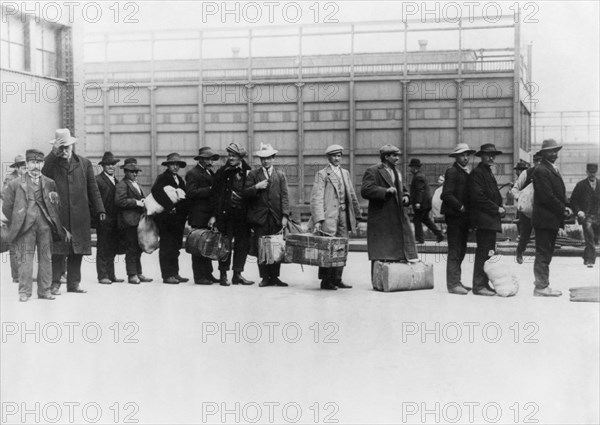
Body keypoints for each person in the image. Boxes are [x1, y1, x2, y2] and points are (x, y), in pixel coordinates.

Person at [42, 128, 105, 295]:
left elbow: (93, 188)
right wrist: (52, 153)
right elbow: (43, 174)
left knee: (78, 251)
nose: (64, 151)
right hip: (59, 216)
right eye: (60, 148)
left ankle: (74, 284)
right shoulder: (51, 164)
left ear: (72, 146)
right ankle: (55, 284)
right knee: (58, 251)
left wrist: (100, 209)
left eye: (66, 147)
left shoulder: (84, 164)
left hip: (80, 215)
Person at [2, 149, 64, 301]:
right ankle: (24, 292)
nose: (36, 165)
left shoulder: (50, 183)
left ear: (43, 164)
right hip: (25, 227)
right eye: (32, 162)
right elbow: (7, 207)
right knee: (25, 259)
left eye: (39, 162)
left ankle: (45, 291)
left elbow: (56, 205)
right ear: (27, 164)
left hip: (45, 226)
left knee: (46, 258)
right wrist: (18, 218)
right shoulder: (15, 183)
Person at [361, 144, 418, 280]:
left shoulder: (397, 172)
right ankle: (378, 280)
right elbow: (365, 190)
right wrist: (384, 191)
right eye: (394, 155)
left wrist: (406, 196)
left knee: (397, 250)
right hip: (381, 218)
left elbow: (403, 189)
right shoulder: (373, 170)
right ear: (386, 157)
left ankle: (393, 280)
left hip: (397, 216)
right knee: (380, 251)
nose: (397, 158)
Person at [244, 143, 290, 287]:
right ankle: (264, 277)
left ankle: (275, 277)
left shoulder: (280, 175)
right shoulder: (253, 174)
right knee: (262, 247)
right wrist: (256, 187)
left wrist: (285, 216)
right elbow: (245, 193)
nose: (265, 161)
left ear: (273, 158)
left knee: (276, 247)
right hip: (260, 218)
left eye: (268, 158)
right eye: (263, 158)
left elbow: (285, 196)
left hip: (275, 217)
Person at [209, 142, 254, 286]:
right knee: (224, 245)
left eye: (234, 155)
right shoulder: (222, 172)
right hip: (225, 215)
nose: (230, 158)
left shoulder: (249, 172)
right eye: (229, 155)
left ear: (240, 157)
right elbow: (214, 196)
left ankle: (237, 274)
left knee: (242, 245)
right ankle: (223, 274)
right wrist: (214, 215)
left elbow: (253, 194)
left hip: (243, 216)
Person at [532, 139, 572, 297]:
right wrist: (563, 210)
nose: (554, 154)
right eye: (551, 151)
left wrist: (567, 206)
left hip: (549, 219)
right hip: (545, 219)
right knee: (543, 253)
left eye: (556, 151)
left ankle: (542, 285)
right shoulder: (542, 170)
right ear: (543, 153)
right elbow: (547, 197)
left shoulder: (550, 169)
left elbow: (558, 194)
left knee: (546, 252)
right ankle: (541, 287)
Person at [468, 143, 506, 297]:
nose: (491, 157)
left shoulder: (487, 172)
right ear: (481, 156)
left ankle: (484, 283)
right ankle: (478, 285)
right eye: (488, 155)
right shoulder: (477, 173)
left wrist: (500, 207)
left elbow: (493, 195)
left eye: (493, 155)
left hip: (490, 220)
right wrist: (496, 208)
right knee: (483, 253)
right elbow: (478, 197)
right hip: (484, 220)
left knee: (488, 253)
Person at [441, 143, 476, 295]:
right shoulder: (452, 171)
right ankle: (453, 284)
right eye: (462, 155)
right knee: (455, 250)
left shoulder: (465, 172)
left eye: (467, 155)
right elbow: (446, 194)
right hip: (455, 217)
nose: (466, 157)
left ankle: (457, 281)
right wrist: (460, 207)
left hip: (463, 219)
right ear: (456, 157)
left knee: (461, 250)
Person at [151, 153, 189, 284]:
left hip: (178, 220)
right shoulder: (163, 178)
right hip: (166, 219)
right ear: (168, 165)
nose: (175, 167)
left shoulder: (179, 179)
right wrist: (169, 206)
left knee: (176, 247)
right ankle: (167, 275)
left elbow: (184, 196)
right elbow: (156, 191)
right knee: (167, 246)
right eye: (172, 164)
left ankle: (175, 273)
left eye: (177, 164)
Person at [186, 147, 220, 285]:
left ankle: (208, 274)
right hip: (198, 215)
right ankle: (199, 276)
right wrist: (210, 190)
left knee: (207, 244)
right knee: (198, 245)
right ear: (201, 159)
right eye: (208, 159)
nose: (210, 161)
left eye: (211, 159)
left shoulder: (209, 172)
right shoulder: (193, 173)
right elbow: (191, 193)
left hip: (207, 215)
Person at [115, 158, 152, 284]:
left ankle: (138, 273)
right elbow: (119, 201)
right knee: (131, 248)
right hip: (128, 222)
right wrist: (137, 202)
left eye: (136, 171)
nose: (135, 174)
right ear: (125, 172)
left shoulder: (135, 184)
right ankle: (132, 275)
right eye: (132, 171)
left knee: (138, 248)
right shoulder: (122, 185)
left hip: (137, 221)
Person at [95, 152, 124, 284]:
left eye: (113, 164)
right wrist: (99, 215)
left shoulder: (116, 181)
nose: (111, 167)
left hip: (115, 219)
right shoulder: (98, 180)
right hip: (104, 219)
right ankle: (102, 275)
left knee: (112, 247)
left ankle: (111, 275)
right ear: (103, 166)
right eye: (108, 164)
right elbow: (94, 200)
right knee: (103, 247)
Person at [511, 153, 542, 264]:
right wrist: (521, 199)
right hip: (527, 210)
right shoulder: (526, 173)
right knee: (525, 235)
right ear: (533, 162)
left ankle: (540, 259)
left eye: (541, 161)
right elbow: (515, 190)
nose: (539, 163)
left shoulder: (548, 173)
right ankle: (519, 252)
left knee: (542, 236)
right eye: (537, 161)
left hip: (541, 210)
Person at [2, 154, 26, 283]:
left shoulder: (28, 178)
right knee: (14, 246)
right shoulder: (10, 179)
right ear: (16, 167)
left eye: (25, 165)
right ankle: (16, 275)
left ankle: (24, 273)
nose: (24, 168)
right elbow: (5, 197)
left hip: (26, 216)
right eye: (21, 166)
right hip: (13, 216)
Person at [570, 163, 599, 268]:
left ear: (597, 172)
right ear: (586, 172)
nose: (592, 174)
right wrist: (578, 212)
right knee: (590, 238)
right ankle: (591, 260)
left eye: (594, 172)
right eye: (590, 172)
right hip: (586, 216)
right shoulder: (580, 185)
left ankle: (586, 256)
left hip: (598, 216)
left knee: (595, 238)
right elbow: (573, 201)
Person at [408, 158, 444, 244]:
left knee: (417, 220)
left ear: (415, 168)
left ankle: (420, 239)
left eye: (411, 167)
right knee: (425, 219)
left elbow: (420, 190)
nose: (410, 169)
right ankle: (439, 234)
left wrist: (418, 202)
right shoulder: (420, 175)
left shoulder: (418, 177)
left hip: (422, 204)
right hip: (425, 204)